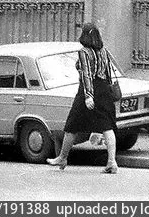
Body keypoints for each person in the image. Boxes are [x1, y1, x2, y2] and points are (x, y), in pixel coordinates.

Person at [47, 23, 120, 173]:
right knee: (107, 127)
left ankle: (62, 157)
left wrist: (88, 96)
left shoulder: (84, 52)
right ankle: (112, 162)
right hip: (104, 91)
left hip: (87, 92)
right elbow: (107, 73)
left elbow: (86, 75)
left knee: (71, 126)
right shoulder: (104, 51)